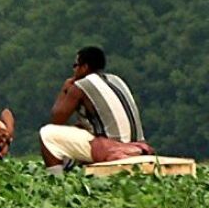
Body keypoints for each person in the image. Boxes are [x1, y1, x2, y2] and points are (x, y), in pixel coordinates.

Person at [39, 46, 148, 175]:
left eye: (75, 65)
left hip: (112, 147)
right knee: (79, 129)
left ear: (84, 67)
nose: (74, 70)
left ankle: (55, 180)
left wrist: (65, 90)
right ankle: (72, 164)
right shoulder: (117, 80)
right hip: (139, 145)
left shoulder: (80, 86)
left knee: (47, 134)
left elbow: (57, 119)